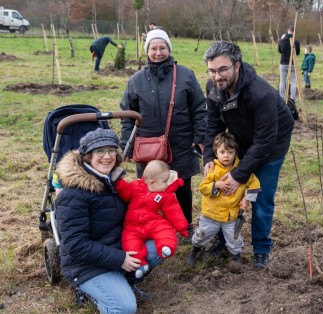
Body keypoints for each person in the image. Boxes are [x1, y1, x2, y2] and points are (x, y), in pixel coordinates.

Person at [203, 41, 294, 269]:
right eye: (212, 70)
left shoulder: (259, 93)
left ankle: (261, 249)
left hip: (272, 145)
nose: (217, 76)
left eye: (223, 69)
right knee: (224, 190)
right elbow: (212, 125)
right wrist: (207, 159)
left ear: (237, 65)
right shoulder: (214, 88)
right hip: (240, 140)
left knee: (259, 197)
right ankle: (224, 240)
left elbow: (264, 142)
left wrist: (239, 174)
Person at [55, 128, 162, 314]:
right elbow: (75, 245)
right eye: (100, 151)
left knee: (161, 244)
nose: (107, 156)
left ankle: (124, 282)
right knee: (125, 308)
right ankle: (89, 290)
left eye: (111, 150)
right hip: (86, 265)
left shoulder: (112, 181)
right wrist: (120, 259)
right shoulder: (73, 195)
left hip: (115, 247)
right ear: (88, 156)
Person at [120, 29, 207, 241]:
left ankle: (185, 226)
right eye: (153, 48)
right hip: (147, 144)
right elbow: (127, 115)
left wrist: (200, 138)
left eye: (162, 48)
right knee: (149, 187)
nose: (158, 52)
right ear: (146, 51)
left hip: (181, 141)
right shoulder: (136, 80)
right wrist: (127, 146)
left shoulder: (185, 75)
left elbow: (199, 108)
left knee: (181, 185)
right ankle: (152, 226)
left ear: (169, 49)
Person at [186, 132, 261, 266]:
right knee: (202, 234)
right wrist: (216, 185)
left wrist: (246, 199)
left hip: (230, 215)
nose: (226, 155)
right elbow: (203, 187)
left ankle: (236, 257)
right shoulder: (213, 169)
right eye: (222, 152)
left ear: (235, 152)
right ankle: (194, 250)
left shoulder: (242, 168)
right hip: (211, 214)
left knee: (234, 238)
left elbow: (254, 184)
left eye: (230, 152)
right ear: (216, 153)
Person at [115, 160, 189, 279]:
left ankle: (166, 245)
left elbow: (174, 211)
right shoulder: (135, 186)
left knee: (165, 229)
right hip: (132, 227)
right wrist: (119, 183)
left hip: (153, 223)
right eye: (164, 181)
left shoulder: (165, 195)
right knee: (130, 244)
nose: (166, 184)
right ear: (152, 182)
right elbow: (125, 191)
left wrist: (182, 228)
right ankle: (140, 265)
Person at [278, 26, 300, 103]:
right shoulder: (296, 42)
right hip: (292, 64)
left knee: (282, 81)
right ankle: (293, 98)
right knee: (293, 81)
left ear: (288, 31)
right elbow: (297, 53)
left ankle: (281, 97)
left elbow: (280, 51)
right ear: (294, 32)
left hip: (283, 63)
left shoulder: (282, 41)